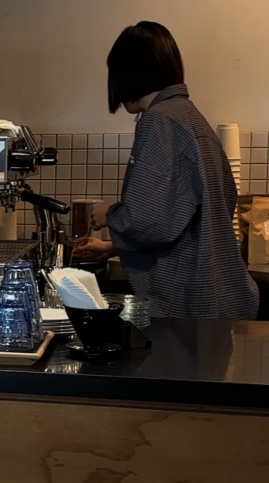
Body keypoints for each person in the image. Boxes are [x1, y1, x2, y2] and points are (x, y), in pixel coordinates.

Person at [74, 21, 258, 320]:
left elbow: (149, 220)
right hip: (217, 292)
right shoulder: (190, 116)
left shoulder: (159, 120)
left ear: (128, 73)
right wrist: (114, 246)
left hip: (187, 301)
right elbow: (188, 216)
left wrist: (110, 214)